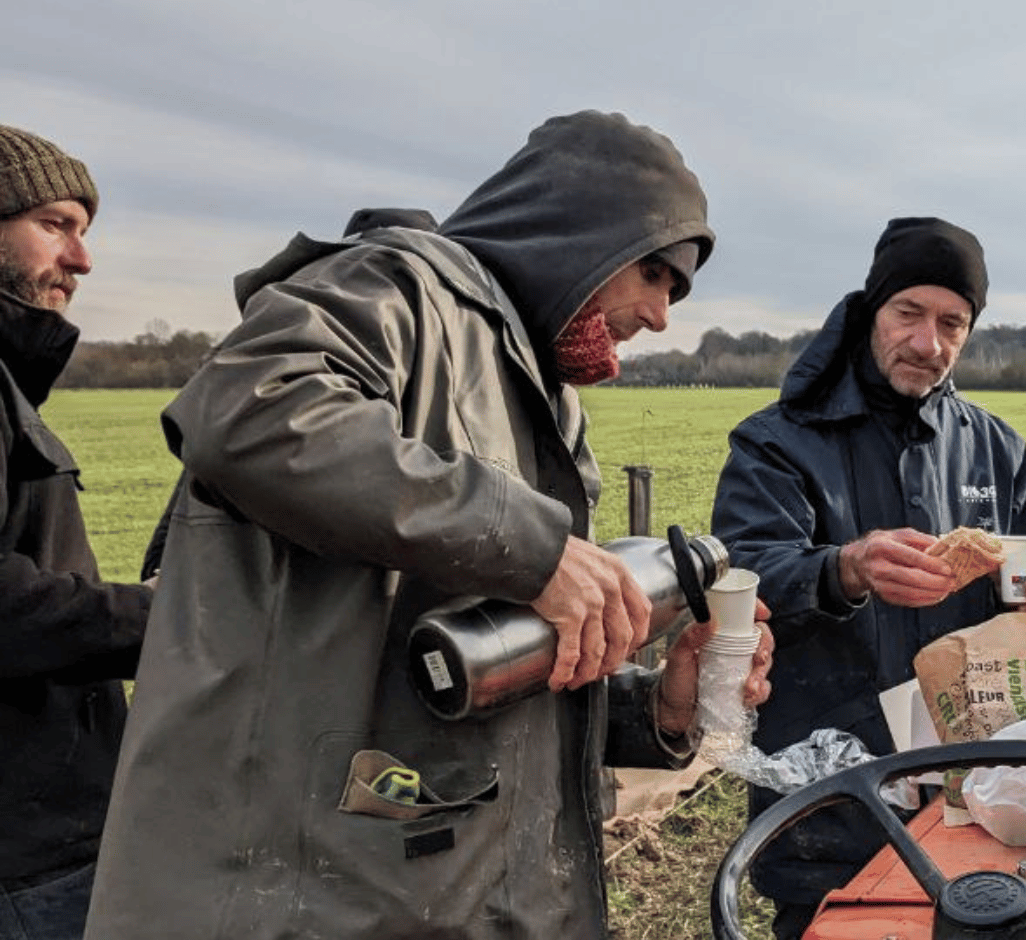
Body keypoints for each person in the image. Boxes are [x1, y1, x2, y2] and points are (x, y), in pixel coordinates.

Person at [83, 111, 772, 940]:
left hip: (448, 895)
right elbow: (253, 408)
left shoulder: (543, 393)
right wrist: (537, 550)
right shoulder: (397, 286)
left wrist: (657, 707)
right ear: (576, 231)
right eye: (655, 273)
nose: (661, 314)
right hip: (302, 899)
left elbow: (467, 665)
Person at [711, 216, 1026, 939]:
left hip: (973, 787)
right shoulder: (777, 442)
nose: (929, 344)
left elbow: (1018, 615)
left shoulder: (1001, 449)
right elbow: (741, 581)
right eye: (909, 314)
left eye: (952, 323)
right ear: (872, 309)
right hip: (832, 798)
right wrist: (844, 568)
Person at [0, 124, 153, 940]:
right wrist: (166, 616)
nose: (82, 260)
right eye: (55, 224)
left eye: (84, 232)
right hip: (24, 861)